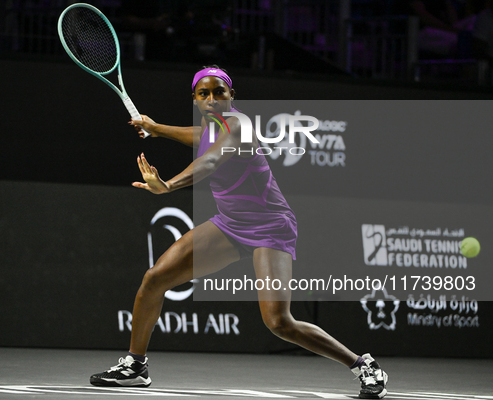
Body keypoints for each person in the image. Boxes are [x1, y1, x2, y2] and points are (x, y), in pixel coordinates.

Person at [89, 66, 389, 399]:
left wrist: (169, 185)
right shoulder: (209, 124)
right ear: (195, 99)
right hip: (230, 224)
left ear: (232, 96)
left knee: (279, 322)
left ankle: (363, 364)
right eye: (204, 94)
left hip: (270, 227)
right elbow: (199, 137)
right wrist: (156, 128)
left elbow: (210, 161)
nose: (213, 99)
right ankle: (135, 365)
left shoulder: (238, 125)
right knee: (155, 279)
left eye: (220, 92)